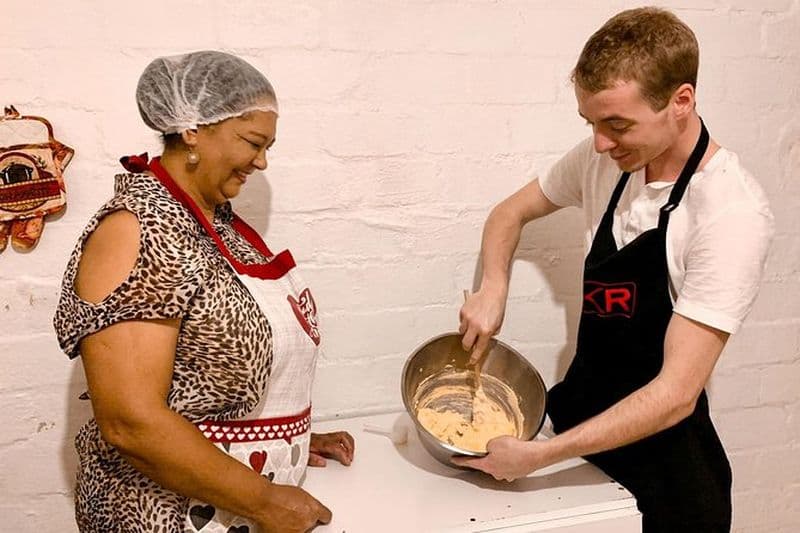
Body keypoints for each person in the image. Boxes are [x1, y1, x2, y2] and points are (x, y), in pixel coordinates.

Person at [455, 7, 773, 532]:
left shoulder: (729, 212)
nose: (600, 142)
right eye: (591, 123)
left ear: (681, 102)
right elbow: (508, 214)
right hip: (578, 431)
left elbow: (674, 394)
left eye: (617, 124)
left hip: (666, 472)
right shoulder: (606, 159)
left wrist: (540, 456)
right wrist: (493, 286)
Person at [53, 50, 354, 533]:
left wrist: (286, 436)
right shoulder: (139, 228)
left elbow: (208, 377)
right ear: (193, 128)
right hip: (161, 515)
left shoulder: (219, 223)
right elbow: (131, 422)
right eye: (253, 142)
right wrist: (266, 500)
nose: (262, 161)